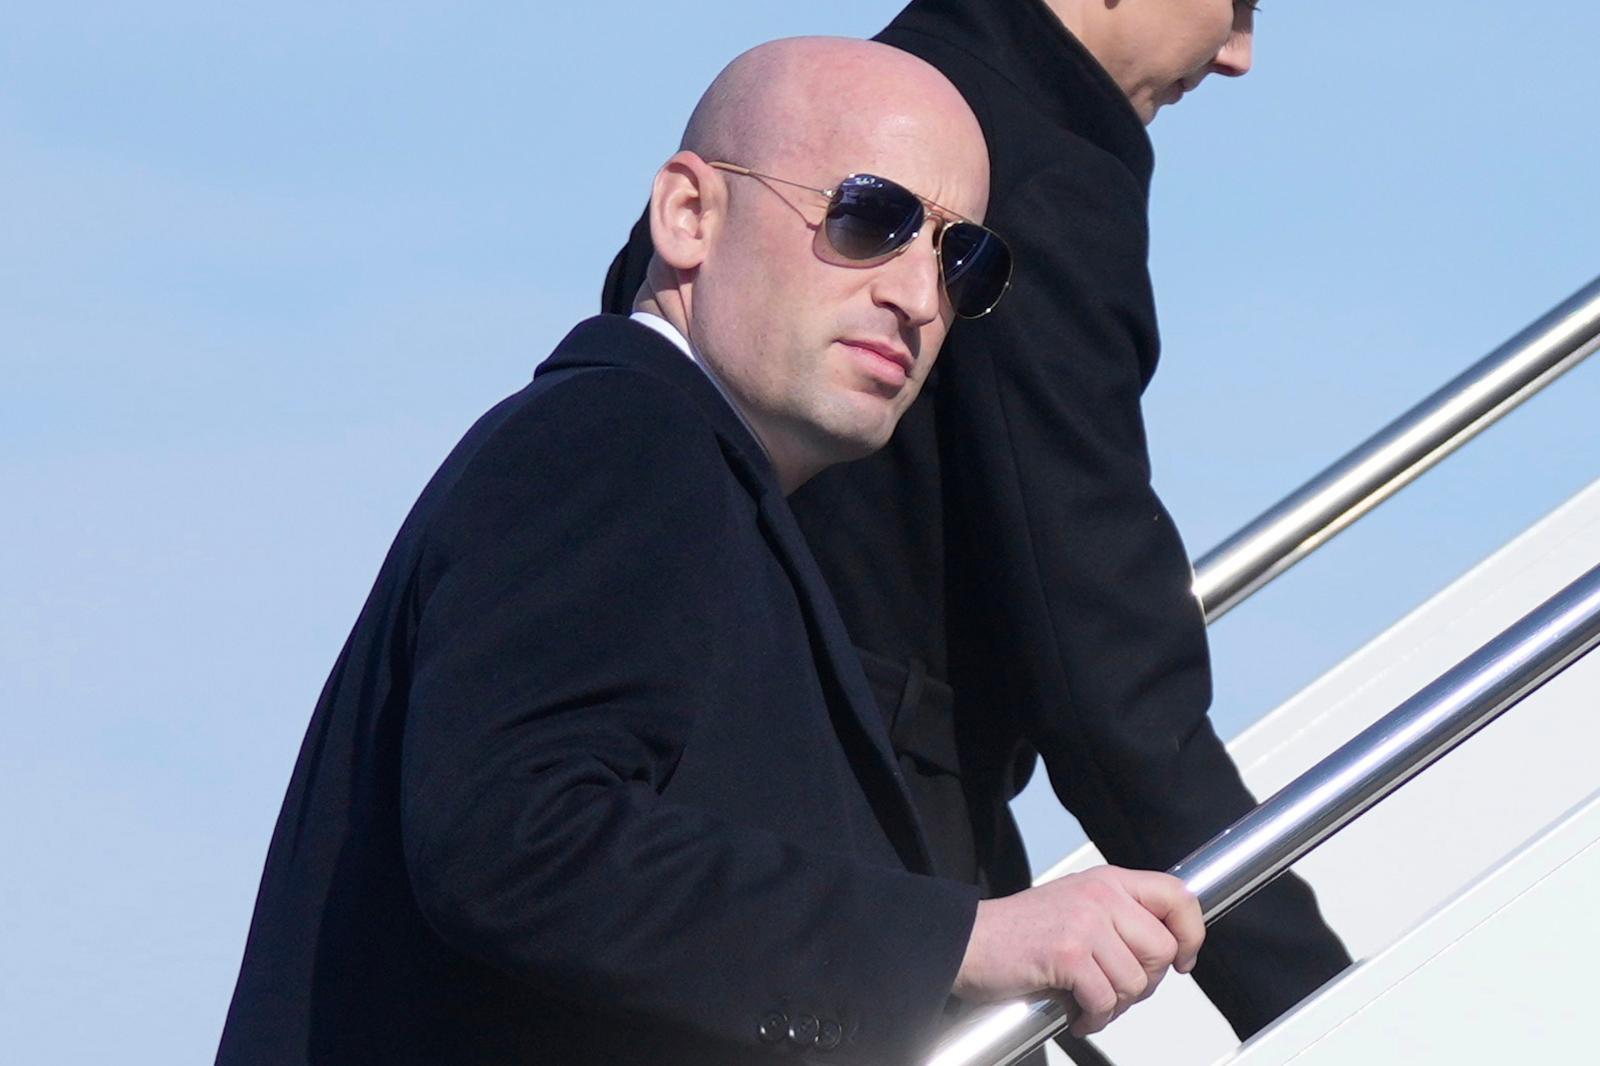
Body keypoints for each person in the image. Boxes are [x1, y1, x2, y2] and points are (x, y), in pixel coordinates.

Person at [218, 37, 1208, 1066]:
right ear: (689, 214)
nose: (920, 297)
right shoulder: (622, 436)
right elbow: (518, 836)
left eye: (966, 262)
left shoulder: (699, 489)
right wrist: (958, 941)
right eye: (872, 217)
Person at [604, 0, 1352, 1045]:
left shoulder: (812, 120)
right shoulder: (1033, 169)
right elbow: (1102, 660)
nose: (1238, 53)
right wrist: (1321, 1001)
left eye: (964, 268)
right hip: (857, 880)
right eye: (1238, 1)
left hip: (714, 868)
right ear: (687, 207)